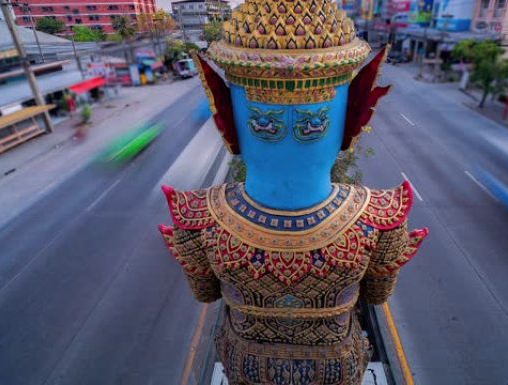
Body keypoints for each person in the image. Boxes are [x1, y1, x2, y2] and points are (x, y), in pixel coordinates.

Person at [159, 0, 428, 383]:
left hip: (247, 369)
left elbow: (205, 294)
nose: (284, 132)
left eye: (308, 123)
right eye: (266, 122)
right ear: (348, 121)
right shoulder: (377, 219)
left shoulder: (200, 220)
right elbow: (376, 296)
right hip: (336, 369)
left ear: (228, 122)